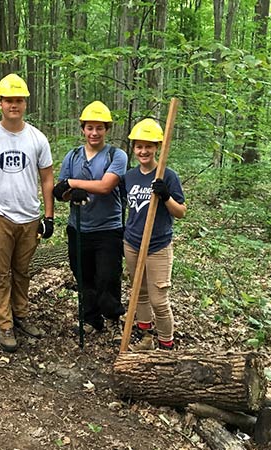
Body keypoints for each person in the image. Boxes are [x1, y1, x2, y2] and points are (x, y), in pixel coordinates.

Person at [0, 73, 54, 352]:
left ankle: (21, 314)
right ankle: (4, 324)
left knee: (22, 271)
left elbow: (46, 179)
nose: (13, 105)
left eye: (18, 100)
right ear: (0, 103)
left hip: (30, 215)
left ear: (25, 103)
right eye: (8, 100)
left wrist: (49, 215)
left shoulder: (38, 139)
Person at [52, 101, 127, 335]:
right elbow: (61, 191)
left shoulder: (117, 155)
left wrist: (74, 183)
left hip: (108, 229)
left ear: (107, 130)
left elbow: (106, 186)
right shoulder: (72, 156)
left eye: (99, 128)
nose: (94, 133)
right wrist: (69, 193)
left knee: (107, 276)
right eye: (89, 128)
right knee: (83, 277)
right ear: (83, 129)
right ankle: (91, 319)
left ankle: (113, 315)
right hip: (78, 228)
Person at [121, 118, 188, 351]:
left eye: (148, 146)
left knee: (159, 300)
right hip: (132, 243)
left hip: (158, 245)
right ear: (134, 148)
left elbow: (180, 212)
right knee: (139, 293)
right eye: (139, 146)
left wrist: (166, 196)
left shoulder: (167, 176)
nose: (143, 151)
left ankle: (166, 345)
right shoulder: (129, 177)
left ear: (157, 147)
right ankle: (146, 337)